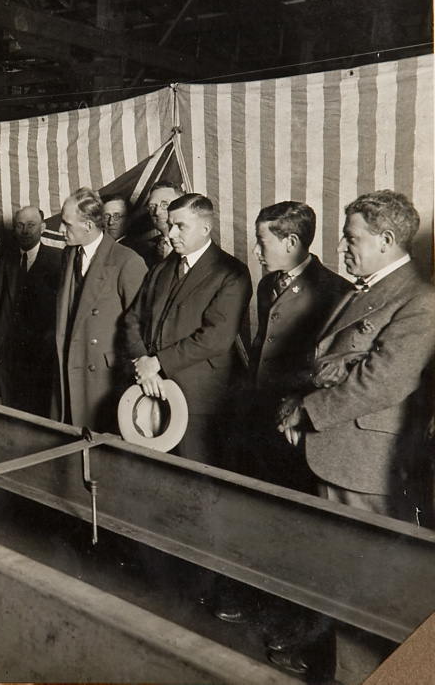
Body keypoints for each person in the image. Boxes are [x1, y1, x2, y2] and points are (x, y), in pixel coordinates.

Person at [278, 190, 435, 520]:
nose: (339, 248)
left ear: (386, 240)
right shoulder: (361, 289)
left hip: (363, 468)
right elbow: (325, 360)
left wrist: (305, 411)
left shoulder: (420, 300)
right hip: (332, 454)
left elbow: (383, 382)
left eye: (351, 238)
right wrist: (296, 402)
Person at [123, 193, 252, 466]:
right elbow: (132, 318)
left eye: (181, 226)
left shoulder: (231, 273)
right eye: (170, 225)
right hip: (151, 388)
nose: (170, 233)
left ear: (206, 229)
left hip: (200, 402)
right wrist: (143, 364)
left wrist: (156, 363)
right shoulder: (161, 269)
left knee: (196, 478)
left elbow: (215, 338)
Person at [245, 202, 352, 490]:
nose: (256, 251)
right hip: (260, 408)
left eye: (261, 241)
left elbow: (330, 366)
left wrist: (300, 410)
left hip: (297, 416)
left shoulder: (336, 292)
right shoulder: (267, 284)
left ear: (291, 242)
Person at [53, 190, 146, 430]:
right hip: (67, 367)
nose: (61, 230)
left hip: (102, 378)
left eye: (66, 223)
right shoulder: (69, 255)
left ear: (87, 225)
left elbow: (141, 326)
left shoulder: (127, 261)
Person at [0, 206, 62, 417]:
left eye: (31, 225)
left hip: (42, 355)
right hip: (9, 353)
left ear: (43, 227)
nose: (25, 231)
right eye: (20, 225)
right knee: (9, 411)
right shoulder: (6, 260)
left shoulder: (58, 260)